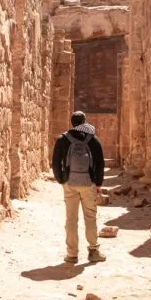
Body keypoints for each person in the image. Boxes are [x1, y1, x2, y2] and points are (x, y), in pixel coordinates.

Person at [51, 111, 106, 264]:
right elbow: (100, 164)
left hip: (70, 183)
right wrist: (98, 184)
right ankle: (94, 251)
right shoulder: (93, 139)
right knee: (90, 217)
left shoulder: (63, 139)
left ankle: (72, 254)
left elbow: (55, 163)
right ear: (84, 122)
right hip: (89, 183)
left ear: (72, 122)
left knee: (71, 219)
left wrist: (62, 180)